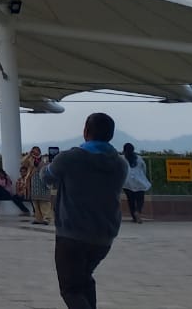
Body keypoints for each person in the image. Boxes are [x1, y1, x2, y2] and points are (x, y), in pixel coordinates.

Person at [43, 113, 129, 309]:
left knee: (71, 289)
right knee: (84, 281)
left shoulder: (70, 158)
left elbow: (47, 177)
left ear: (85, 132)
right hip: (103, 238)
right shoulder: (120, 164)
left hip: (72, 235)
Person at [21, 146, 52, 225]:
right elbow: (22, 162)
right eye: (33, 151)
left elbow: (46, 166)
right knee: (35, 201)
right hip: (34, 182)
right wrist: (29, 154)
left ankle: (47, 218)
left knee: (44, 201)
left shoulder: (45, 158)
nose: (34, 153)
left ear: (39, 151)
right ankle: (38, 219)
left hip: (43, 181)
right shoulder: (30, 160)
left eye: (36, 151)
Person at [121, 143, 150, 224]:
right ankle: (138, 211)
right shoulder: (139, 158)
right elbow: (144, 168)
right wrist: (143, 177)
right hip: (139, 181)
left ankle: (134, 217)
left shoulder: (122, 158)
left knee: (131, 200)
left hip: (127, 182)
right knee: (140, 198)